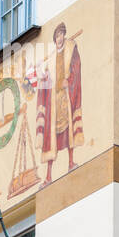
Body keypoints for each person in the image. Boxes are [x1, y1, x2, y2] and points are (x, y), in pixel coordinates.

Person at [35, 22, 84, 185]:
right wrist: (41, 73)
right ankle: (48, 176)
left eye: (61, 34)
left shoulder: (70, 50)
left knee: (70, 129)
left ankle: (71, 162)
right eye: (57, 35)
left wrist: (69, 81)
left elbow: (76, 67)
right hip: (53, 102)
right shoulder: (50, 58)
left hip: (66, 97)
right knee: (51, 138)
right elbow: (45, 80)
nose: (59, 38)